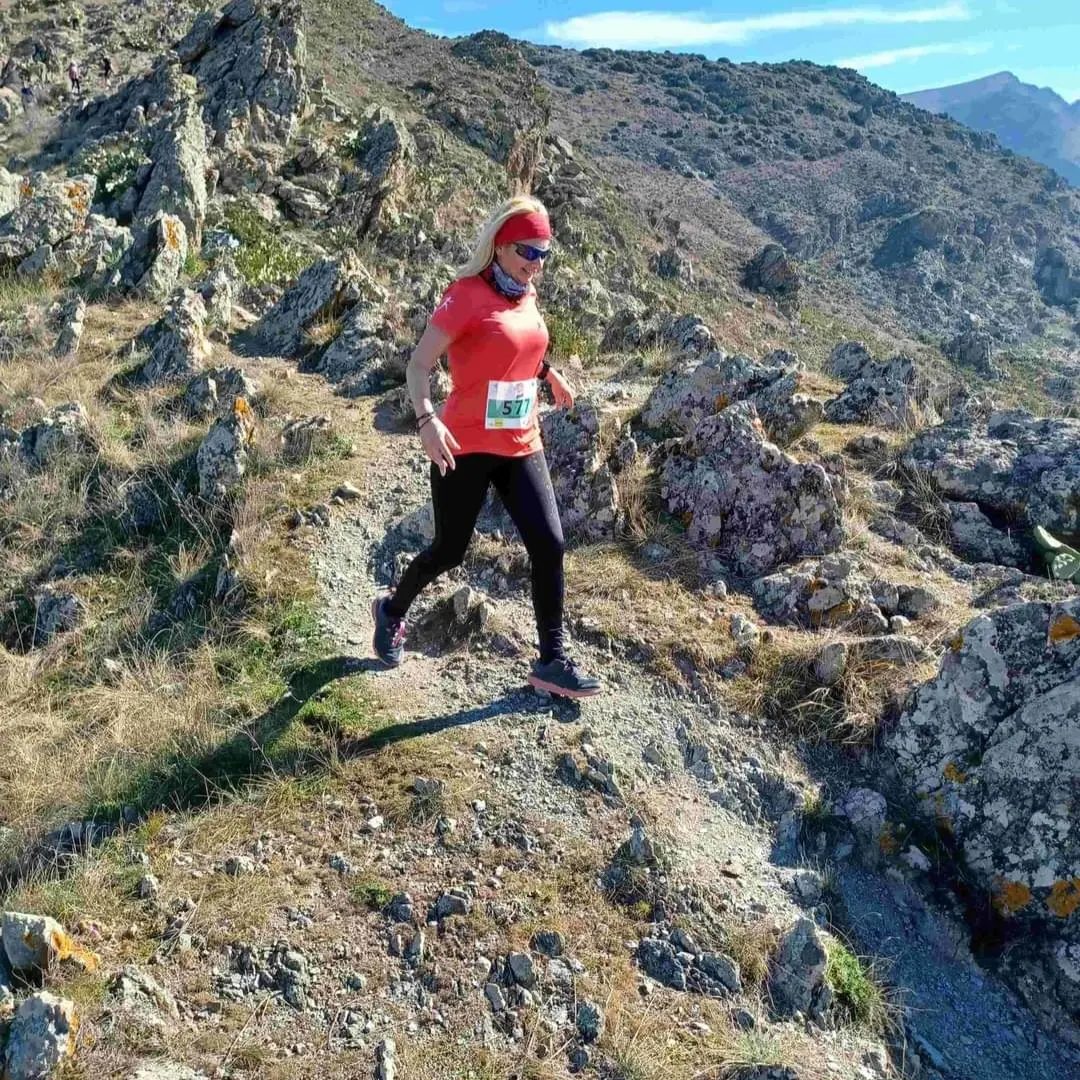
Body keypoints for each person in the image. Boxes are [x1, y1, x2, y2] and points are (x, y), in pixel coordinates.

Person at [371, 195, 602, 699]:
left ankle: (552, 660)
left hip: (521, 441)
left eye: (544, 253)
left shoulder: (526, 291)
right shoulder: (465, 295)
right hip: (465, 443)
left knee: (550, 544)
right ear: (500, 244)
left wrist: (548, 373)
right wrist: (427, 420)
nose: (536, 263)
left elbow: (517, 345)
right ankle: (391, 610)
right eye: (527, 251)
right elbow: (418, 366)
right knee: (449, 550)